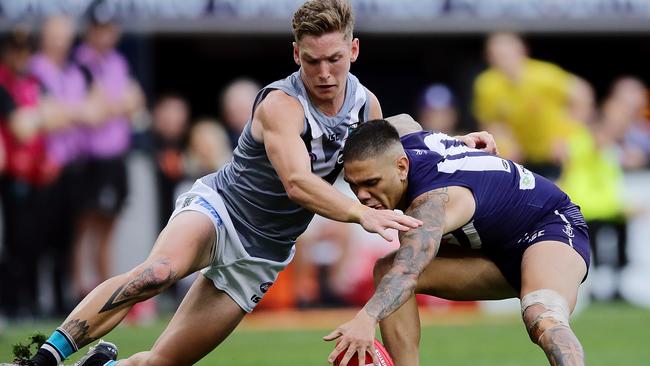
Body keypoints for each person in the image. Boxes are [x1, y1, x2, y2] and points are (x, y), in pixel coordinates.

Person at [5, 2, 492, 366]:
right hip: (220, 212)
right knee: (158, 271)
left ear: (354, 50)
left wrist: (454, 141)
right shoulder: (280, 105)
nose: (324, 73)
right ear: (296, 54)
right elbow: (299, 183)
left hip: (264, 252)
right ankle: (42, 360)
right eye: (312, 61)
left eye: (335, 59)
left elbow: (397, 141)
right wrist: (362, 213)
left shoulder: (367, 105)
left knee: (162, 362)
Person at [326, 118, 590, 366]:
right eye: (354, 185)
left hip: (548, 226)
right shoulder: (405, 139)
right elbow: (400, 119)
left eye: (371, 183)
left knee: (542, 315)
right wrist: (452, 141)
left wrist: (366, 319)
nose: (362, 196)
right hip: (493, 247)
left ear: (402, 166)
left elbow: (408, 271)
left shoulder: (431, 204)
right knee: (386, 271)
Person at [473, 31, 594, 180]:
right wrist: (505, 140)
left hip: (554, 153)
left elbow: (583, 94)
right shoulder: (487, 85)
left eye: (507, 54)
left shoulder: (544, 75)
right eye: (497, 56)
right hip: (521, 156)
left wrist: (565, 135)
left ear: (522, 51)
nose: (503, 61)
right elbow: (490, 120)